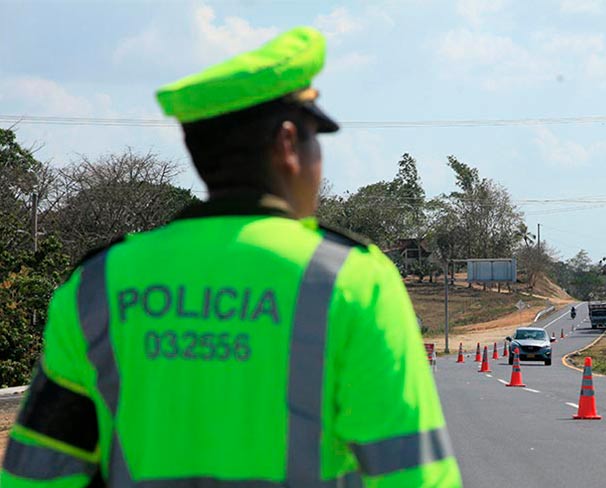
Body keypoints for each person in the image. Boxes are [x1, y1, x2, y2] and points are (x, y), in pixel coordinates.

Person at [1, 27, 460, 487]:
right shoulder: (352, 280)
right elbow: (416, 477)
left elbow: (36, 475)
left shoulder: (97, 285)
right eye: (316, 139)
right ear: (286, 144)